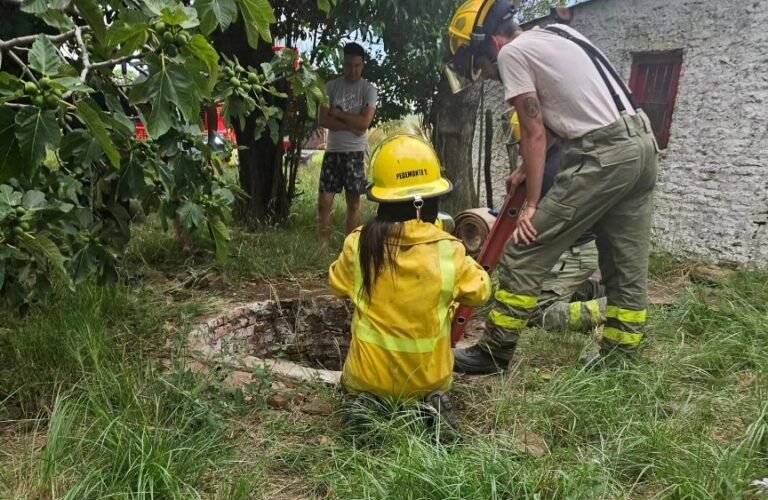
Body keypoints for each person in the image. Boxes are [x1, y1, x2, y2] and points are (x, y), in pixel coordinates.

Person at [446, 0, 659, 374]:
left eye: (481, 65)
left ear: (490, 43)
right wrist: (529, 171)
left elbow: (534, 128)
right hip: (641, 144)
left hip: (602, 154)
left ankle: (493, 354)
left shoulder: (511, 53)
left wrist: (531, 204)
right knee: (625, 265)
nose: (489, 75)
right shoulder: (559, 34)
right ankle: (620, 362)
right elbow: (578, 107)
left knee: (525, 250)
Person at [328, 135, 491, 431]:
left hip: (368, 378)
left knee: (362, 390)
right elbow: (480, 290)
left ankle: (366, 407)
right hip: (427, 380)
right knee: (431, 387)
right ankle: (429, 405)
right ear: (428, 203)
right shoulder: (448, 249)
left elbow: (337, 284)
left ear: (381, 199)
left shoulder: (359, 243)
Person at [318, 42, 379, 245]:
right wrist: (351, 125)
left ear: (363, 65)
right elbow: (324, 119)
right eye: (348, 65)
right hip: (333, 151)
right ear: (342, 64)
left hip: (355, 153)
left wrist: (339, 114)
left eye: (356, 65)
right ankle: (322, 245)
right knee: (324, 202)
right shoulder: (330, 87)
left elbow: (364, 122)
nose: (352, 70)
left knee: (353, 203)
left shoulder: (369, 90)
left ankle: (350, 246)